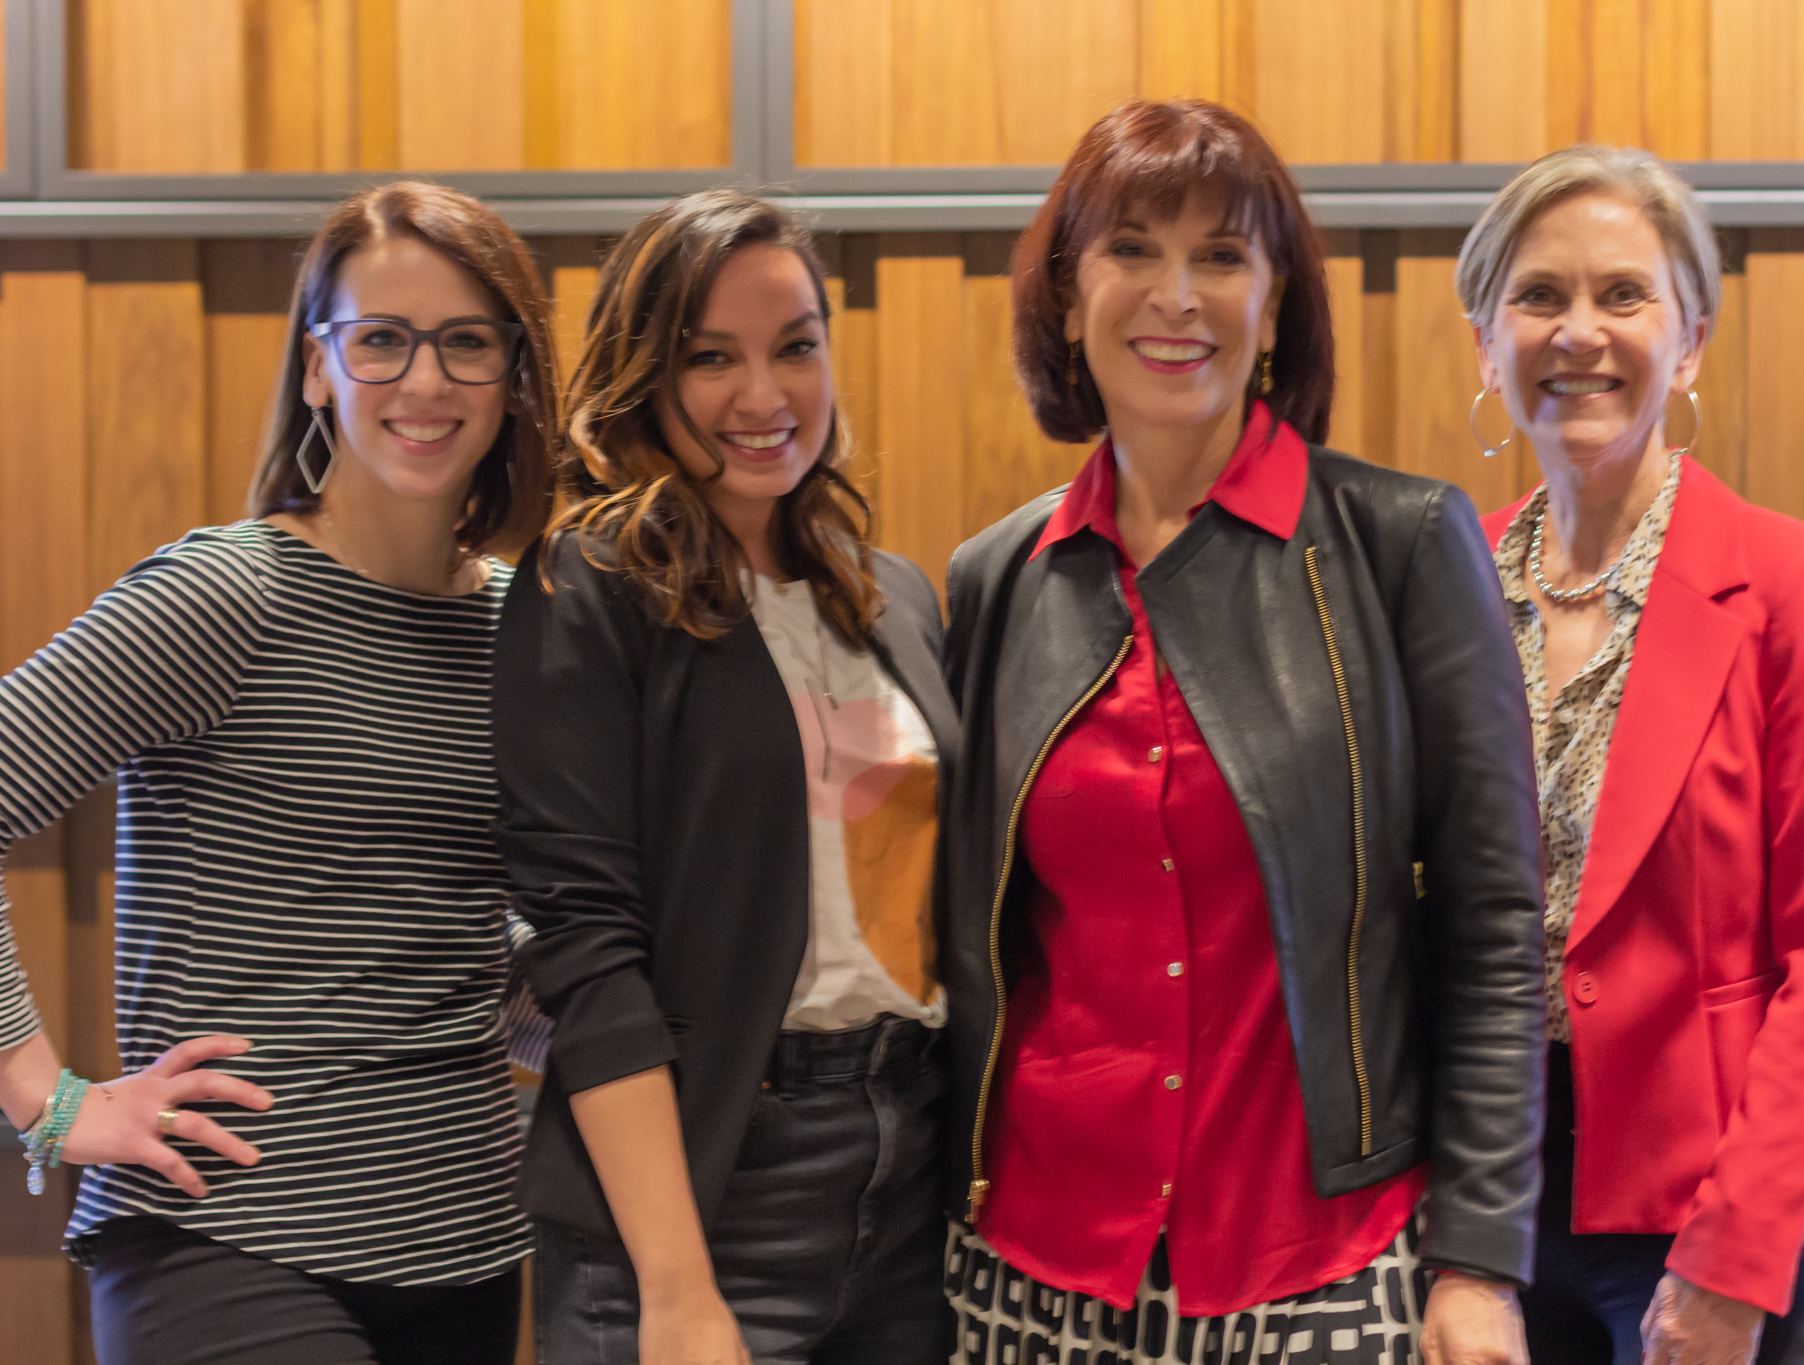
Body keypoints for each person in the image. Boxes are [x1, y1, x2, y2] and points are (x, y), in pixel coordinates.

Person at [941, 99, 1546, 1365]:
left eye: (1221, 257)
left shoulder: (1401, 546)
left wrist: (1479, 1261)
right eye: (1130, 250)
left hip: (1312, 1259)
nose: (1176, 295)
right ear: (1064, 295)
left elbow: (1492, 923)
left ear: (1273, 305)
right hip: (1034, 1261)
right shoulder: (998, 577)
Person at [0, 180, 560, 1364]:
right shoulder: (231, 596)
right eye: (382, 340)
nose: (425, 381)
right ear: (319, 368)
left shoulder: (524, 629)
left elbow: (450, 942)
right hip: (225, 1239)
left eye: (467, 343)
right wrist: (48, 1101)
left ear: (513, 378)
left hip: (464, 1243)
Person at [495, 190, 958, 1365]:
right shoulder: (589, 582)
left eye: (795, 347)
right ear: (647, 374)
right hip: (703, 1182)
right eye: (712, 358)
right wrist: (676, 1283)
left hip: (904, 1176)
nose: (765, 396)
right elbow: (585, 951)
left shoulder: (888, 592)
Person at [1458, 144, 1804, 1365]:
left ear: (1688, 339)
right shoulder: (1438, 581)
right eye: (1537, 296)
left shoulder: (1798, 585)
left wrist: (1732, 1259)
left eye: (1622, 295)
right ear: (1484, 343)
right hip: (1490, 1201)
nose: (1576, 332)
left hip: (1720, 1198)